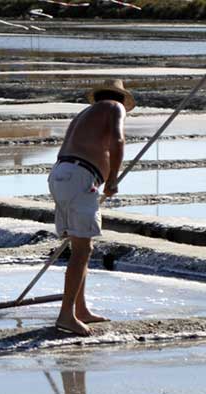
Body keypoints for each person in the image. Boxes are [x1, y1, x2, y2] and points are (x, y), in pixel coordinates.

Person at [48, 79, 135, 336]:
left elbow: (100, 147)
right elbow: (118, 141)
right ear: (120, 97)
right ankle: (66, 316)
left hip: (62, 174)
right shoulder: (114, 108)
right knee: (82, 251)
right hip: (79, 177)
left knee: (81, 247)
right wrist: (113, 179)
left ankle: (80, 309)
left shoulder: (86, 114)